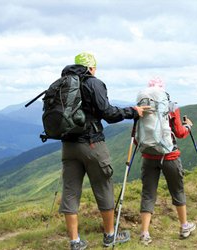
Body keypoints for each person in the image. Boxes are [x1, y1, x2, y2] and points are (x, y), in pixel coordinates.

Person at [58, 52, 149, 250]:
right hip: (92, 144)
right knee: (103, 187)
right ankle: (109, 235)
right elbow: (107, 113)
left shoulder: (63, 84)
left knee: (70, 192)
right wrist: (132, 112)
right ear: (91, 67)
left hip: (68, 146)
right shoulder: (93, 83)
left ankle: (74, 242)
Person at [137, 77, 196, 245]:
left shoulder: (143, 106)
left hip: (148, 157)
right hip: (170, 156)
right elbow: (179, 132)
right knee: (177, 190)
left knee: (148, 194)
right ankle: (184, 226)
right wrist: (188, 127)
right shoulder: (170, 106)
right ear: (163, 90)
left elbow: (136, 135)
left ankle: (145, 234)